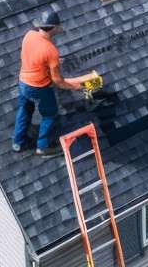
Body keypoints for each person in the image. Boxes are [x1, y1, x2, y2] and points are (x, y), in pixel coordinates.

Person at [12, 10, 93, 157]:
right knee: (49, 115)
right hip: (38, 88)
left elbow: (34, 57)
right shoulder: (51, 51)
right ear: (54, 27)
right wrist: (79, 86)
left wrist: (50, 64)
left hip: (23, 82)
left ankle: (18, 143)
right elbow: (58, 82)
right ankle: (43, 147)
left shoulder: (29, 35)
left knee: (24, 109)